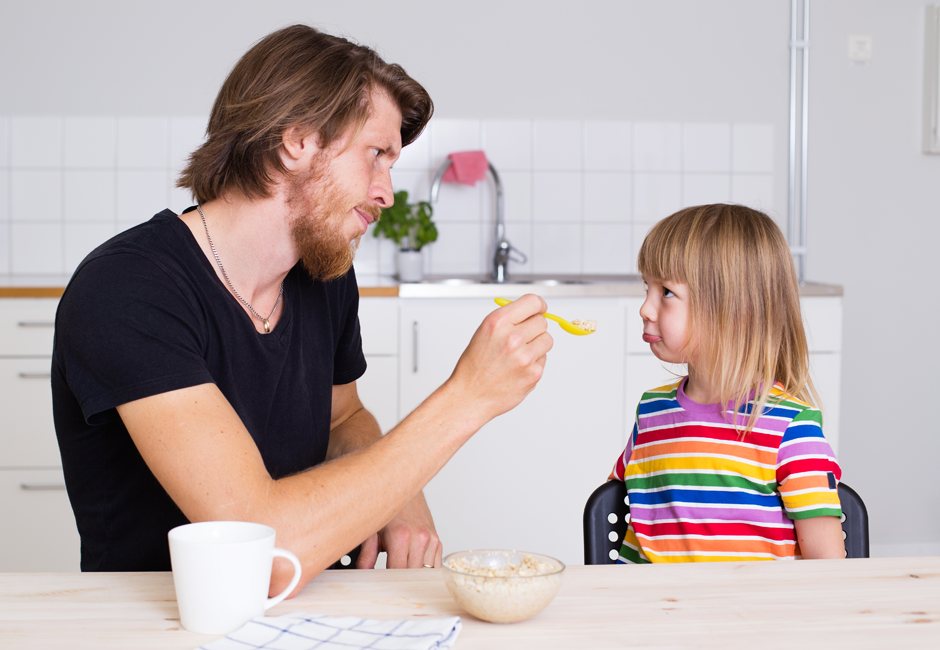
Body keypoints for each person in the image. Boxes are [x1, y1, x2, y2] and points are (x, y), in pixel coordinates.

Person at [51, 24, 553, 596]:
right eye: (376, 155)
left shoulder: (324, 271)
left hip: (313, 605)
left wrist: (401, 496)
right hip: (168, 620)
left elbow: (344, 419)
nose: (388, 192)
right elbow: (259, 553)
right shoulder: (128, 288)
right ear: (298, 142)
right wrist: (467, 399)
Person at [609, 204, 844, 563]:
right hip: (649, 615)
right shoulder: (651, 412)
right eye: (647, 287)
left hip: (754, 618)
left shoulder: (791, 430)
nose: (645, 307)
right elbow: (611, 505)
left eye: (666, 292)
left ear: (736, 309)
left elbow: (828, 570)